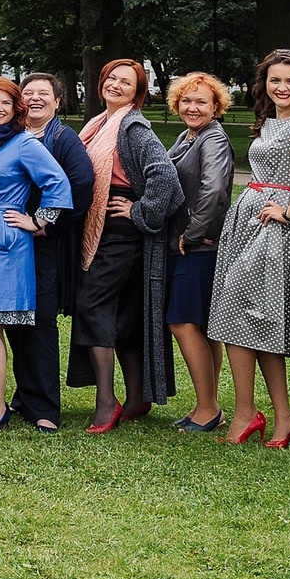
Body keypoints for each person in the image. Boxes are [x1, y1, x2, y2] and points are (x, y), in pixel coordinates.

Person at [209, 49, 290, 449]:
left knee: (235, 309)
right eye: (275, 80)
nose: (282, 87)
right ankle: (279, 416)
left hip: (274, 227)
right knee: (253, 322)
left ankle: (250, 413)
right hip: (250, 219)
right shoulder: (270, 120)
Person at [69, 58, 183, 432]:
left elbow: (166, 179)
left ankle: (107, 402)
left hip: (120, 229)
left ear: (137, 93)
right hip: (104, 223)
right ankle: (137, 397)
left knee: (91, 304)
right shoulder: (100, 123)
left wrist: (139, 211)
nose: (116, 85)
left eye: (126, 82)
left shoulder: (133, 128)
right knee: (127, 314)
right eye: (111, 78)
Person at [0, 78, 76, 434]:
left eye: (6, 103)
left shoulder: (24, 143)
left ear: (16, 109)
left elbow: (58, 182)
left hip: (5, 241)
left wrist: (38, 220)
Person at [13, 74, 95, 431]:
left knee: (41, 322)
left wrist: (46, 223)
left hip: (44, 244)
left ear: (58, 101)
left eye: (43, 93)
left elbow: (82, 184)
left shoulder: (63, 139)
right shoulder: (14, 134)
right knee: (17, 319)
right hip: (12, 243)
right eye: (28, 92)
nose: (34, 98)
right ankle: (25, 396)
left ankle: (46, 408)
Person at [162, 73, 236, 433]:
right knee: (203, 326)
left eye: (201, 102)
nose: (192, 108)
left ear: (216, 107)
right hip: (191, 244)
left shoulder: (214, 138)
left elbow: (215, 190)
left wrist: (191, 233)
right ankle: (207, 405)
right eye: (186, 101)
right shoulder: (187, 137)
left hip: (200, 246)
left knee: (182, 321)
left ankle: (208, 408)